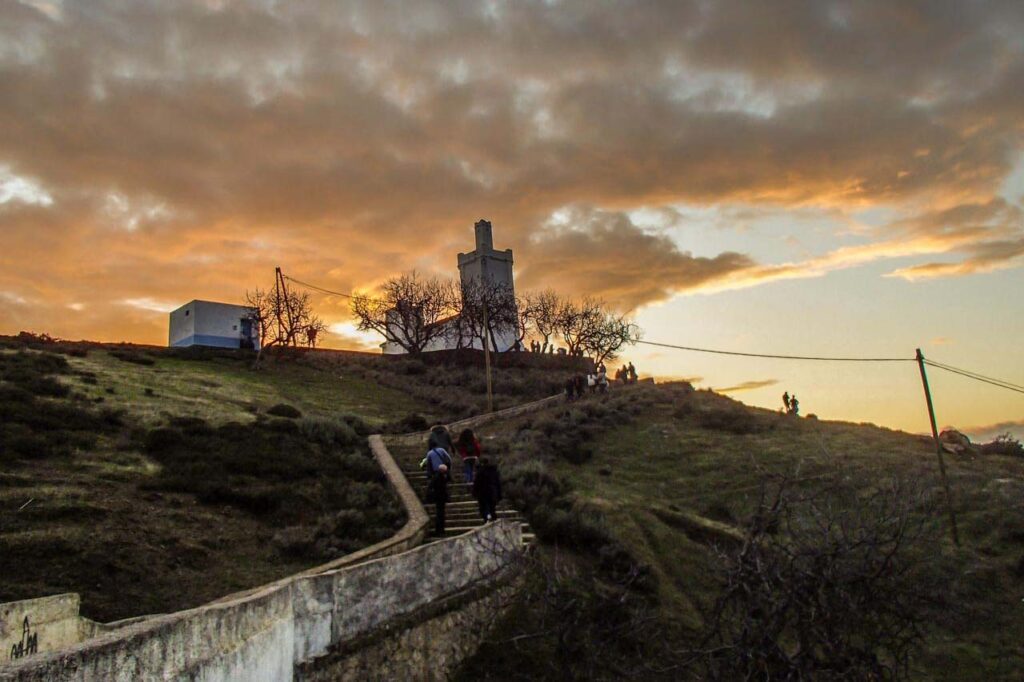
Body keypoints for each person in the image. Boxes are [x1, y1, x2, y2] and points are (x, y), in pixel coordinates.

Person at [473, 457, 502, 522]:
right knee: (492, 507)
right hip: (492, 492)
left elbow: (476, 483)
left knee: (484, 507)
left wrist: (474, 492)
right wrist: (499, 494)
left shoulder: (480, 472)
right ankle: (492, 517)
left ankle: (487, 517)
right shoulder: (494, 471)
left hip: (483, 493)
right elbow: (498, 483)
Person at [429, 463, 450, 535]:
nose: (446, 471)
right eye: (445, 470)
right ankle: (439, 530)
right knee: (440, 514)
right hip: (440, 497)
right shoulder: (439, 477)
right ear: (442, 470)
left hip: (439, 497)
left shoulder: (438, 476)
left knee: (440, 514)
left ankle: (440, 529)